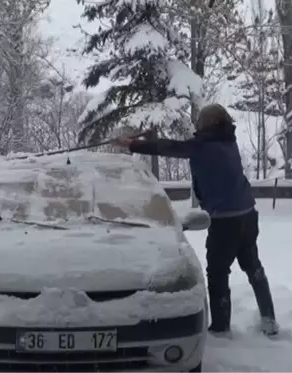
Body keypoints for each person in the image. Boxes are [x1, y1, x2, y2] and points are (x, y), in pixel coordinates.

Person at [111, 104, 278, 336]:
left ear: (206, 124)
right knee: (253, 267)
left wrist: (132, 144)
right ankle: (269, 319)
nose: (197, 125)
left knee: (218, 273)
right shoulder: (228, 142)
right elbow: (179, 146)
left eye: (200, 121)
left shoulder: (204, 146)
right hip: (248, 214)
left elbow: (172, 148)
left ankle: (221, 327)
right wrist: (152, 139)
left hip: (225, 220)